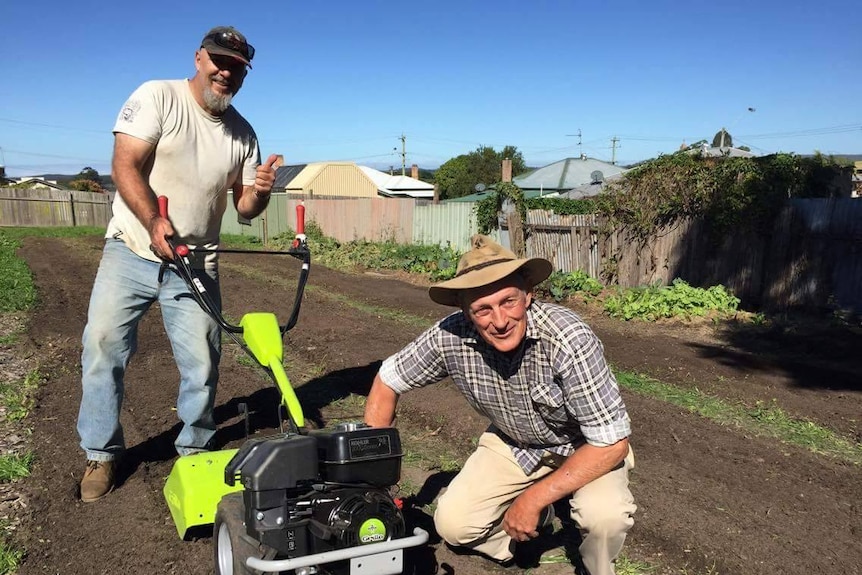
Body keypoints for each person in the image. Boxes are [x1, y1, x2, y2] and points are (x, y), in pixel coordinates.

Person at [77, 26, 278, 503]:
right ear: (199, 58)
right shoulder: (158, 97)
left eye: (236, 67)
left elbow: (244, 209)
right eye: (218, 61)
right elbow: (124, 165)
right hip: (132, 249)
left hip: (197, 263)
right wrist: (152, 220)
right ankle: (101, 455)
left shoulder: (242, 134)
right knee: (103, 347)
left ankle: (195, 449)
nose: (225, 72)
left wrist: (261, 193)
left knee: (203, 362)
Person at [364, 235, 636, 575]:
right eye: (482, 309)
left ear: (528, 294)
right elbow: (387, 380)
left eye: (508, 301)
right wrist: (372, 476)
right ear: (465, 312)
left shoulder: (568, 338)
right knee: (453, 525)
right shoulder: (449, 336)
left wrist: (533, 498)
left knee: (604, 518)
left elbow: (611, 442)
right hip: (515, 442)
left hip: (587, 446)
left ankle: (593, 567)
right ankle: (524, 537)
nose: (500, 320)